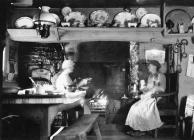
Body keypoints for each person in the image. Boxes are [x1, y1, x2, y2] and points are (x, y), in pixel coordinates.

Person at [125, 60, 166, 136]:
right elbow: (148, 88)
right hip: (148, 96)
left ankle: (141, 130)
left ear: (155, 66)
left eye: (149, 65)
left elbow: (162, 88)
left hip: (157, 97)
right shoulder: (150, 76)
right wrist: (143, 88)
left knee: (141, 108)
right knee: (134, 107)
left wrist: (154, 89)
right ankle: (137, 129)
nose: (148, 67)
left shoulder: (161, 75)